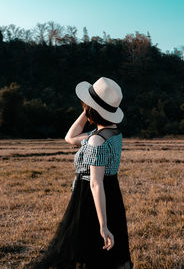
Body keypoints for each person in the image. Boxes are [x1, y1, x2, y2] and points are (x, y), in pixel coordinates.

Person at [23, 76, 134, 269]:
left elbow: (96, 184)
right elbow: (70, 137)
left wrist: (103, 225)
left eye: (87, 107)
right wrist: (88, 110)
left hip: (91, 198)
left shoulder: (96, 140)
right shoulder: (113, 133)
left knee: (87, 247)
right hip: (112, 194)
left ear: (94, 111)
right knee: (105, 254)